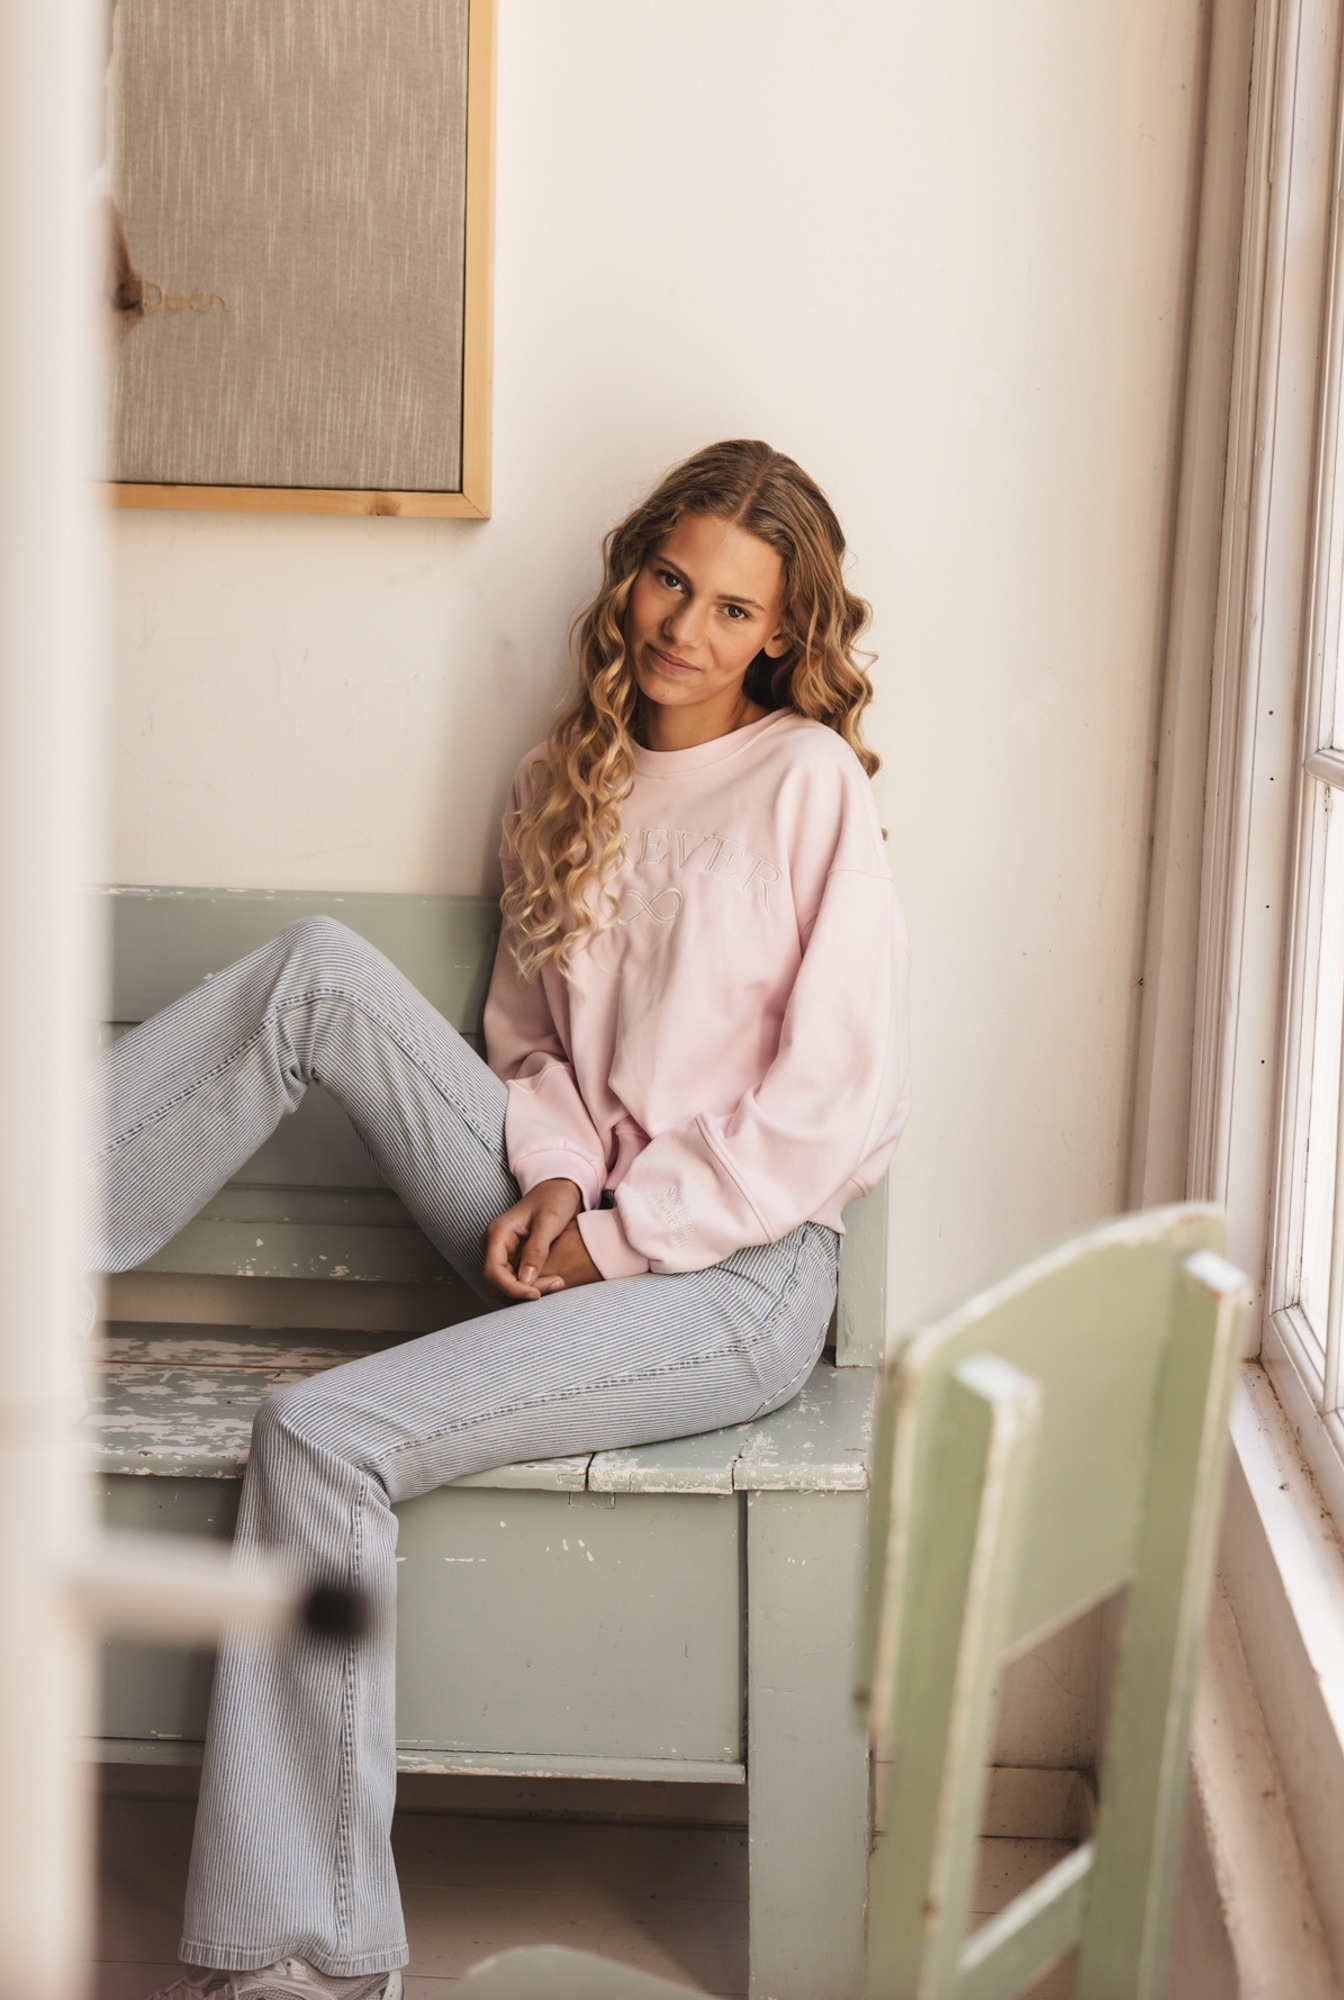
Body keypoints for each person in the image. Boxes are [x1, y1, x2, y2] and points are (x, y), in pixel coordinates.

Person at [106, 439, 910, 2000]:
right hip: (565, 1220)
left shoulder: (806, 782)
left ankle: (298, 1963)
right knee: (320, 970)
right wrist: (548, 1176)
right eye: (670, 579)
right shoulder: (562, 780)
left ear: (781, 638)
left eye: (733, 609)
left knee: (320, 1436)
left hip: (733, 1277)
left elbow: (831, 1104)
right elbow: (528, 1049)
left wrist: (620, 1232)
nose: (684, 626)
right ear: (632, 571)